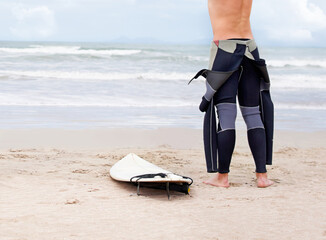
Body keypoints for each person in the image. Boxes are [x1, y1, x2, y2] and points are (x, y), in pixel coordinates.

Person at [190, 0, 274, 188]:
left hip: (225, 47)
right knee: (253, 113)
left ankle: (222, 177)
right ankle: (262, 176)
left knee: (226, 114)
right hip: (250, 47)